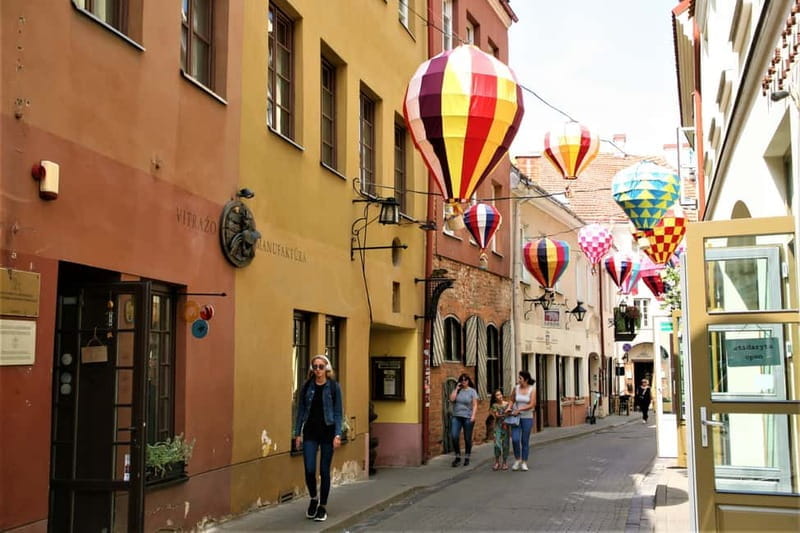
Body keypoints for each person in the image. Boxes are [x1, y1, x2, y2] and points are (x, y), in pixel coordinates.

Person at [293, 355, 343, 522]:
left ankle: (323, 506)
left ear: (327, 369)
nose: (318, 370)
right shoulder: (307, 386)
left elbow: (338, 413)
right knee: (309, 469)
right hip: (310, 432)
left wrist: (338, 434)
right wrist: (297, 433)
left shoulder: (334, 387)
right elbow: (300, 411)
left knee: (323, 470)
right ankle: (314, 498)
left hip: (327, 432)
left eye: (321, 367)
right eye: (315, 367)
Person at [507, 370, 536, 471]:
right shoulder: (516, 388)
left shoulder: (532, 390)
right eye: (518, 378)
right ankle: (517, 459)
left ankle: (524, 462)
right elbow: (512, 399)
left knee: (524, 440)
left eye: (520, 378)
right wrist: (509, 407)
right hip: (516, 418)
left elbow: (532, 404)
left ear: (526, 380)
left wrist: (519, 409)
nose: (518, 380)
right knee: (515, 439)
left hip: (527, 417)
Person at [449, 373, 478, 467]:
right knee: (454, 436)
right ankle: (457, 456)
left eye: (465, 380)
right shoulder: (458, 390)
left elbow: (474, 405)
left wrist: (473, 416)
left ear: (468, 381)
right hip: (456, 416)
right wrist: (456, 389)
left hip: (468, 417)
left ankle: (467, 457)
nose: (463, 382)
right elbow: (452, 399)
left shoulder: (472, 391)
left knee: (467, 438)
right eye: (462, 380)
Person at [489, 389, 510, 471]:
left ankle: (504, 462)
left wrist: (507, 415)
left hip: (506, 426)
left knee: (505, 444)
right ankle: (497, 462)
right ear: (495, 398)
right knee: (497, 444)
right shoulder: (494, 405)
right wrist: (506, 414)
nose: (500, 396)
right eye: (497, 395)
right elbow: (496, 416)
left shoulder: (507, 404)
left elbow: (509, 415)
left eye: (500, 394)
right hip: (498, 426)